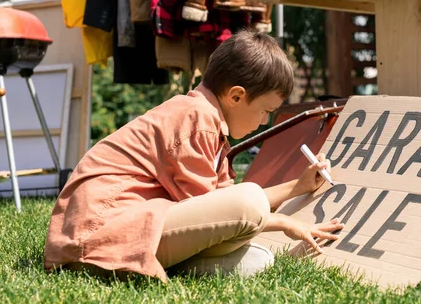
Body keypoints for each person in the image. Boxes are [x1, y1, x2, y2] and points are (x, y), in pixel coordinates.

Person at [44, 29, 344, 281]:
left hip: (121, 233)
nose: (264, 121)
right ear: (237, 96)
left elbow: (222, 206)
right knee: (250, 200)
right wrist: (289, 223)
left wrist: (299, 186)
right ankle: (131, 259)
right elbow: (229, 209)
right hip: (99, 235)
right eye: (265, 111)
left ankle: (151, 263)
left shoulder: (207, 119)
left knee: (257, 260)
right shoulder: (196, 119)